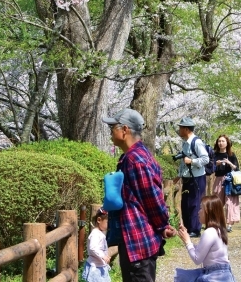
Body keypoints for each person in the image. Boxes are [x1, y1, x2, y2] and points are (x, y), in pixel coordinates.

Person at [103, 108, 176, 282]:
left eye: (113, 128)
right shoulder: (135, 155)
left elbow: (152, 198)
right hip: (137, 239)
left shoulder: (135, 160)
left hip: (137, 241)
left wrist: (163, 225)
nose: (111, 133)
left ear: (125, 130)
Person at [175, 195, 236, 282]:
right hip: (224, 274)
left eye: (201, 208)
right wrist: (186, 237)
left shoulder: (209, 232)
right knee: (184, 276)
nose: (198, 212)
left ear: (207, 211)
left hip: (215, 276)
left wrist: (187, 242)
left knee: (182, 276)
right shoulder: (218, 230)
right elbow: (203, 251)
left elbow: (197, 259)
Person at [176, 117, 210, 238]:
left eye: (180, 128)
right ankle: (188, 228)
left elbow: (206, 159)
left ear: (186, 129)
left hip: (197, 178)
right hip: (187, 178)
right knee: (186, 203)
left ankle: (195, 230)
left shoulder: (196, 142)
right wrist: (178, 176)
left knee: (195, 203)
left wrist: (192, 161)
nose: (178, 130)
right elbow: (183, 162)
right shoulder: (186, 142)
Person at [211, 134, 240, 232]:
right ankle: (217, 223)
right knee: (217, 202)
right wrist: (216, 164)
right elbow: (210, 167)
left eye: (223, 141)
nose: (221, 143)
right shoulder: (214, 155)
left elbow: (237, 168)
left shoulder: (231, 155)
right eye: (219, 141)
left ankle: (229, 224)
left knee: (229, 202)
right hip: (218, 179)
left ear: (227, 143)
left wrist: (229, 163)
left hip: (229, 180)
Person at [82, 207, 110, 282]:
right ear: (99, 220)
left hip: (100, 266)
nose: (109, 225)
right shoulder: (95, 234)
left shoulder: (100, 233)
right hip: (95, 268)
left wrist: (105, 256)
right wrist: (103, 256)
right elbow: (93, 247)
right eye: (108, 222)